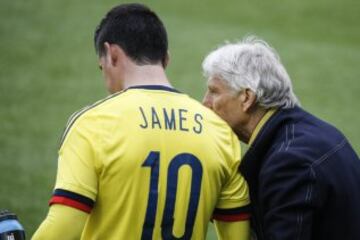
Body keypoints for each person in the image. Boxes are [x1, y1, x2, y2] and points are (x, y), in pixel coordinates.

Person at [32, 3, 251, 240]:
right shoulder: (220, 132)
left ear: (112, 54)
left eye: (101, 66)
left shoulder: (92, 125)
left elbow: (63, 225)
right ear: (166, 59)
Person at [202, 36, 360, 240]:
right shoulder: (314, 133)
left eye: (214, 92)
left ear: (247, 98)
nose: (205, 102)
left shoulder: (289, 162)